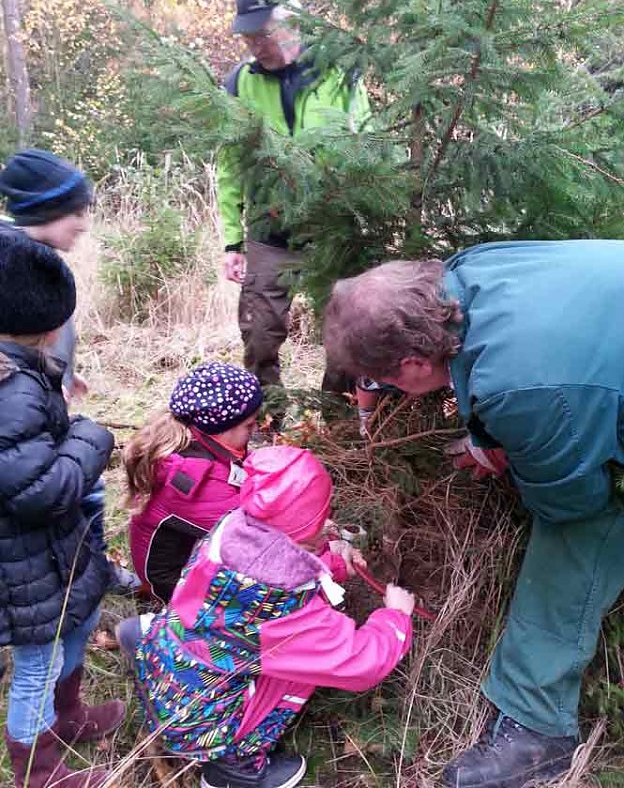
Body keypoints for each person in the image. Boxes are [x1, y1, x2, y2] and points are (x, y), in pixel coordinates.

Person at [322, 240, 624, 788]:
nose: (393, 393)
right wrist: (492, 438)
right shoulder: (469, 273)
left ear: (413, 362)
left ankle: (538, 727)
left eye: (389, 381)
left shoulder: (524, 383)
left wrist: (523, 452)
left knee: (574, 536)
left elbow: (572, 501)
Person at [120, 446, 414, 788]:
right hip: (196, 721)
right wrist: (394, 617)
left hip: (165, 659)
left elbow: (279, 557)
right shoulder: (283, 613)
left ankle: (140, 640)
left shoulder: (232, 530)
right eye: (320, 517)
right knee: (298, 673)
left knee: (223, 645)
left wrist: (330, 563)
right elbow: (358, 663)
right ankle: (236, 768)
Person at [0, 231, 124, 788]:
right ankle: (39, 769)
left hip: (55, 548)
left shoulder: (21, 375)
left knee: (84, 616)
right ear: (47, 327)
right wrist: (88, 438)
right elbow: (40, 490)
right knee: (37, 664)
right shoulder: (12, 390)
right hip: (22, 562)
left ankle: (68, 717)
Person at [217, 0, 371, 393]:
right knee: (260, 331)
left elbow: (366, 140)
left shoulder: (338, 72)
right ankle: (266, 414)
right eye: (247, 36)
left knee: (344, 329)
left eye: (262, 33)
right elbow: (231, 162)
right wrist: (232, 240)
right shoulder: (240, 83)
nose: (255, 45)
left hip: (331, 224)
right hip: (270, 227)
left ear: (292, 20)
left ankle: (336, 417)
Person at [0, 147, 141, 595]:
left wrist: (63, 373)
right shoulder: (11, 265)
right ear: (43, 211)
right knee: (72, 493)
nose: (83, 223)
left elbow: (49, 332)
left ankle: (90, 567)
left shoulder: (39, 260)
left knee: (85, 492)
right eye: (74, 213)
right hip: (21, 413)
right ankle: (76, 576)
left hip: (43, 394)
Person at [126, 361, 263, 603]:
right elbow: (256, 536)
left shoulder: (206, 441)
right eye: (249, 425)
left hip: (194, 552)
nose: (255, 429)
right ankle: (144, 629)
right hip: (174, 582)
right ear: (221, 426)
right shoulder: (193, 479)